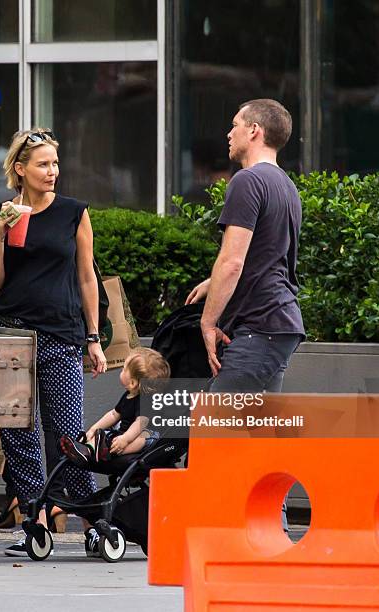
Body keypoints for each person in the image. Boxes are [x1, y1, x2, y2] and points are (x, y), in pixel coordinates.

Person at [0, 127, 107, 556]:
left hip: (60, 334)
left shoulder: (74, 212)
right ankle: (35, 522)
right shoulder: (2, 212)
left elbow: (86, 276)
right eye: (43, 164)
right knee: (17, 432)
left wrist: (93, 337)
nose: (52, 171)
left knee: (67, 433)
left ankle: (94, 518)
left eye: (55, 163)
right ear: (20, 169)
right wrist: (1, 233)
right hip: (13, 334)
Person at [186, 99, 305, 391]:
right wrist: (213, 282)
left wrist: (208, 323)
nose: (229, 133)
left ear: (254, 130)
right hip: (277, 323)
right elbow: (266, 255)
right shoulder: (286, 185)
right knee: (257, 431)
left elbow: (232, 261)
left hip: (259, 325)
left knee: (215, 428)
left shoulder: (247, 181)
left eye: (234, 125)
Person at [60, 348, 170, 467]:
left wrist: (125, 439)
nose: (121, 371)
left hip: (144, 436)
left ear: (132, 383)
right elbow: (113, 414)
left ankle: (114, 452)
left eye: (124, 369)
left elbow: (140, 423)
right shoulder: (128, 396)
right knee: (103, 435)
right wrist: (93, 429)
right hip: (124, 432)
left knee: (143, 437)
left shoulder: (146, 401)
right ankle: (86, 450)